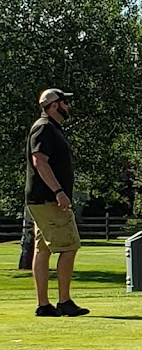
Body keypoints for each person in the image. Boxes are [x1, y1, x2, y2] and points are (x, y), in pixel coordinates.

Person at [24, 88, 90, 317]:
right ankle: (64, 301)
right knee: (70, 245)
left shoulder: (49, 128)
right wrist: (59, 192)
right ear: (54, 105)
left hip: (40, 200)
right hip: (49, 200)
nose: (68, 106)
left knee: (43, 250)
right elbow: (39, 161)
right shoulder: (44, 128)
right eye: (65, 102)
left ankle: (44, 305)